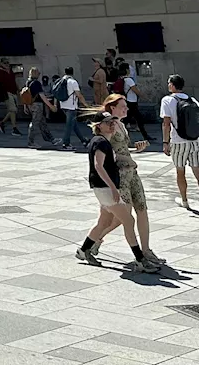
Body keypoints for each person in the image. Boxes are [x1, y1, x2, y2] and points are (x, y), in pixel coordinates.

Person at [82, 95, 165, 268]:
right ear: (112, 108)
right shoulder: (108, 131)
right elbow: (107, 156)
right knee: (123, 218)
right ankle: (95, 242)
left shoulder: (119, 124)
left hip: (132, 172)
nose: (126, 109)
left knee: (141, 209)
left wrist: (134, 149)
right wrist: (113, 185)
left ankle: (146, 250)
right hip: (120, 176)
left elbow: (121, 150)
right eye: (122, 106)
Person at [161, 74, 199, 210]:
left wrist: (165, 142)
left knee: (180, 171)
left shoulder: (167, 100)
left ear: (172, 85)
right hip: (194, 140)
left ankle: (184, 200)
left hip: (178, 142)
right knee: (197, 170)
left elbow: (166, 123)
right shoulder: (192, 100)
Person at [57, 67, 91, 149]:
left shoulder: (60, 81)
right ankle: (66, 143)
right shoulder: (73, 82)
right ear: (73, 72)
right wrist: (86, 105)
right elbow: (79, 95)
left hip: (63, 104)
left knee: (74, 124)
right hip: (71, 106)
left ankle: (83, 140)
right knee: (69, 125)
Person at [25, 67, 56, 148]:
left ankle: (51, 139)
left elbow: (25, 95)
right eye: (38, 72)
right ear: (35, 73)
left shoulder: (28, 82)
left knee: (42, 122)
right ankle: (31, 142)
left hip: (31, 105)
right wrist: (51, 106)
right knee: (35, 123)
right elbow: (42, 96)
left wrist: (26, 106)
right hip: (37, 105)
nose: (39, 74)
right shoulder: (36, 83)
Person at [120, 67, 150, 141]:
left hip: (128, 101)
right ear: (127, 71)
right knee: (138, 119)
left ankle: (123, 136)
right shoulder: (129, 80)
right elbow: (135, 90)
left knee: (127, 120)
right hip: (132, 102)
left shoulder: (123, 80)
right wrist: (144, 97)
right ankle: (145, 136)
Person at [0, 61, 21, 137]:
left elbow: (14, 81)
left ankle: (2, 122)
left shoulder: (11, 71)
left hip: (13, 92)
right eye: (5, 63)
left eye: (8, 63)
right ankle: (14, 128)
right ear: (1, 64)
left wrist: (19, 89)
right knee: (13, 110)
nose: (7, 64)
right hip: (6, 93)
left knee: (13, 110)